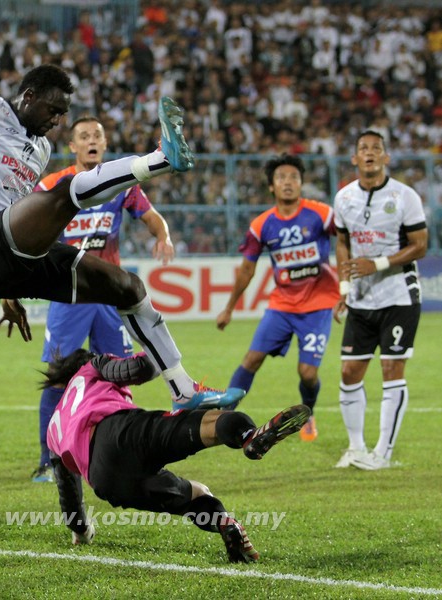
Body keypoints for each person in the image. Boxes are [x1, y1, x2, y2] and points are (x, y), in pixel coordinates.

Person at [0, 31, 242, 412]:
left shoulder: (42, 149)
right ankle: (160, 159)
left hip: (15, 258)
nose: (56, 120)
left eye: (62, 113)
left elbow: (21, 217)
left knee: (127, 287)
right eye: (52, 109)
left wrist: (8, 291)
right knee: (65, 192)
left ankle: (183, 389)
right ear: (29, 96)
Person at [45, 348, 311, 560]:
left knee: (192, 495)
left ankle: (227, 524)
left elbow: (68, 494)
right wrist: (155, 347)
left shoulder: (54, 428)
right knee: (209, 423)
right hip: (120, 433)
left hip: (104, 480)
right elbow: (140, 368)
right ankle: (248, 436)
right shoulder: (92, 367)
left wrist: (81, 530)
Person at [32, 116, 175, 482]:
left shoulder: (120, 183)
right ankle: (49, 460)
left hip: (111, 296)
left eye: (97, 135)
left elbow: (152, 216)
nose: (91, 140)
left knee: (121, 374)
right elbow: (30, 232)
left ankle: (121, 447)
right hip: (70, 293)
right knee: (57, 374)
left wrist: (164, 236)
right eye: (84, 136)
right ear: (73, 147)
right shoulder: (53, 186)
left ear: (105, 144)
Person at [216, 154, 340, 442]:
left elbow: (345, 238)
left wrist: (346, 285)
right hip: (282, 306)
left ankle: (308, 414)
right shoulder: (261, 225)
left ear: (301, 183)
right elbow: (247, 269)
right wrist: (229, 308)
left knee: (308, 373)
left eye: (293, 177)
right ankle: (223, 417)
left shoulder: (322, 214)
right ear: (271, 186)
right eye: (281, 178)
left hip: (318, 305)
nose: (288, 182)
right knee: (252, 359)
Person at [333, 130, 428, 470]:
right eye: (363, 148)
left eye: (376, 148)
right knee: (349, 372)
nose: (370, 152)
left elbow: (421, 244)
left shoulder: (405, 196)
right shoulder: (343, 198)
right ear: (355, 159)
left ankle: (383, 454)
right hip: (360, 299)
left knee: (392, 368)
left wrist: (380, 263)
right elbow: (342, 243)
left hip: (398, 295)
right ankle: (356, 448)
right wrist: (344, 290)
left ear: (386, 158)